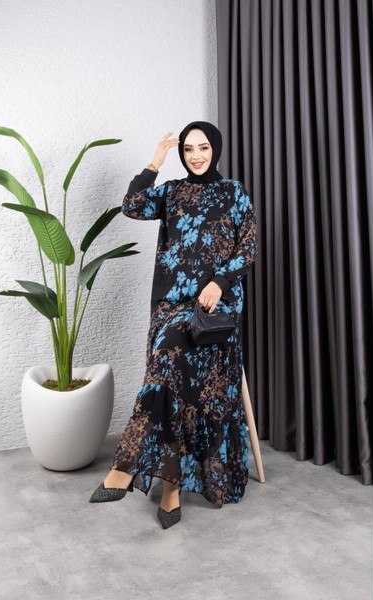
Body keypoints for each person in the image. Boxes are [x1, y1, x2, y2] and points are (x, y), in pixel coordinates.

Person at [89, 121, 258, 529]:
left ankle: (133, 472)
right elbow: (132, 205)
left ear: (215, 149)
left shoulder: (233, 192)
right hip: (171, 304)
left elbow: (248, 246)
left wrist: (219, 282)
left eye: (203, 148)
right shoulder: (171, 192)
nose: (196, 156)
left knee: (169, 363)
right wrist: (154, 162)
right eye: (188, 150)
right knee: (168, 359)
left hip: (215, 308)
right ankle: (170, 485)